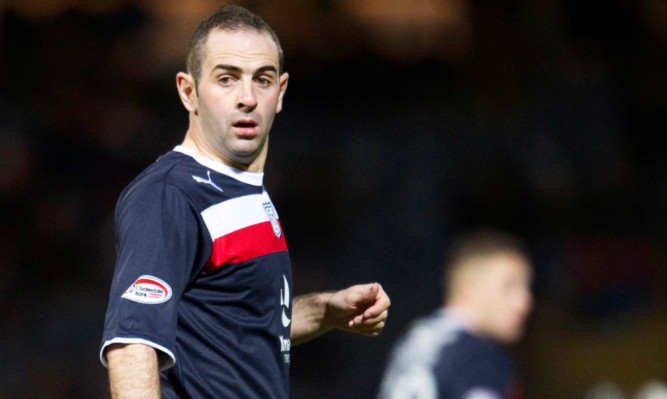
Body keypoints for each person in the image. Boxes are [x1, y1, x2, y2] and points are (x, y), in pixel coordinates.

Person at [99, 5, 390, 398]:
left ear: (281, 92)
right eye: (226, 79)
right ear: (189, 92)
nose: (247, 98)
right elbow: (131, 346)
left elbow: (239, 327)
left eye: (263, 80)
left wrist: (325, 311)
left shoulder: (240, 187)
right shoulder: (170, 195)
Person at [378, 229, 533, 399]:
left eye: (526, 287)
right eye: (509, 286)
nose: (524, 302)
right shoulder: (479, 357)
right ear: (466, 288)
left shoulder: (415, 339)